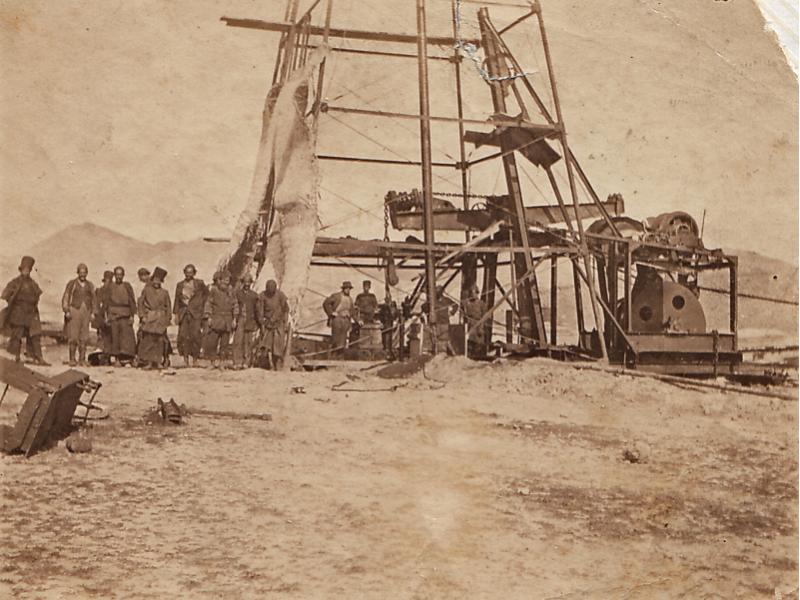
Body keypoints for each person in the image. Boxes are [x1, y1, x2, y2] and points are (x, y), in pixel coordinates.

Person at [1, 256, 49, 365]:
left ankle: (36, 357)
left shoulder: (32, 283)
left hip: (31, 313)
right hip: (18, 313)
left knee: (35, 334)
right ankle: (14, 356)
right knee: (17, 335)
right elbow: (5, 295)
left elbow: (38, 294)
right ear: (21, 269)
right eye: (24, 269)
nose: (26, 272)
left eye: (28, 270)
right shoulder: (15, 282)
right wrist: (13, 303)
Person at [173, 264, 207, 367]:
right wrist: (176, 314)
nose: (188, 274)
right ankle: (185, 359)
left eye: (190, 272)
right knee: (183, 336)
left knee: (196, 336)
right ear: (184, 273)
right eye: (187, 272)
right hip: (184, 313)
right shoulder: (180, 285)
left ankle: (195, 359)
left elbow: (207, 295)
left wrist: (201, 306)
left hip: (195, 314)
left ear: (194, 273)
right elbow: (177, 300)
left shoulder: (199, 283)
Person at [61, 263, 96, 367]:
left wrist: (93, 312)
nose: (82, 275)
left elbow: (94, 299)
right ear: (77, 273)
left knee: (84, 336)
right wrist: (66, 310)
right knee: (73, 335)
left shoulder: (90, 285)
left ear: (87, 273)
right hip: (74, 310)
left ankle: (82, 359)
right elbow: (66, 296)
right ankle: (72, 359)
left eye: (84, 273)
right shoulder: (72, 284)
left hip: (86, 311)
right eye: (81, 273)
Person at [137, 267, 172, 370]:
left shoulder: (165, 292)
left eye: (159, 280)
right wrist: (143, 316)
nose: (156, 282)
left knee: (160, 341)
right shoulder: (147, 290)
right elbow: (140, 303)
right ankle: (149, 363)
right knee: (149, 341)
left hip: (161, 318)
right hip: (150, 318)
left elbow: (168, 307)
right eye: (155, 280)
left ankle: (158, 362)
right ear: (152, 280)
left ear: (161, 282)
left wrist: (167, 319)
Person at [203, 271, 238, 369]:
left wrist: (234, 319)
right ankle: (212, 362)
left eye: (228, 280)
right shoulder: (214, 291)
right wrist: (209, 317)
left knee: (224, 344)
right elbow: (208, 304)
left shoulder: (231, 291)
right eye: (224, 280)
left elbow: (235, 305)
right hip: (216, 319)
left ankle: (222, 363)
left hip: (227, 320)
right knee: (212, 342)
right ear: (219, 280)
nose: (226, 282)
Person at [105, 266, 137, 365]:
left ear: (123, 275)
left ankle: (129, 359)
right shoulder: (110, 287)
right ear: (114, 275)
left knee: (127, 338)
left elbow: (132, 301)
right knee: (115, 337)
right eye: (117, 275)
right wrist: (107, 316)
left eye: (120, 275)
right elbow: (107, 302)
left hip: (125, 315)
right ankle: (117, 359)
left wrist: (132, 315)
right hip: (114, 315)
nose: (119, 277)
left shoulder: (127, 286)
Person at [256, 279, 289, 370]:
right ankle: (266, 364)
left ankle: (277, 363)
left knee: (278, 344)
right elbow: (259, 311)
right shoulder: (262, 296)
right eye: (269, 289)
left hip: (278, 323)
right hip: (267, 323)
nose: (271, 291)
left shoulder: (281, 296)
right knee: (266, 345)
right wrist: (262, 323)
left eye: (273, 289)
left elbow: (286, 310)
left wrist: (285, 322)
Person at [232, 274, 260, 369]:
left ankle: (246, 362)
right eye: (245, 282)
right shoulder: (237, 293)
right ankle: (237, 362)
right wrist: (234, 319)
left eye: (248, 282)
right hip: (240, 319)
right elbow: (234, 307)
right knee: (238, 341)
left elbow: (257, 310)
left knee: (248, 342)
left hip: (250, 320)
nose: (247, 284)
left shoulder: (254, 295)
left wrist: (257, 323)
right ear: (242, 283)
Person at [422, 285, 458, 354]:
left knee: (444, 338)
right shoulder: (433, 300)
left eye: (438, 292)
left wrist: (451, 313)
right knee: (434, 338)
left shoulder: (446, 300)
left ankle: (445, 353)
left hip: (445, 322)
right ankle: (435, 352)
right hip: (435, 322)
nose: (437, 294)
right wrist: (428, 311)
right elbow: (423, 306)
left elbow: (455, 305)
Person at [323, 281, 354, 356]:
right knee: (335, 338)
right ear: (343, 289)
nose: (348, 290)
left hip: (346, 320)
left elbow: (352, 311)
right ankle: (333, 355)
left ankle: (340, 356)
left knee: (343, 339)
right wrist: (331, 312)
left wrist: (357, 320)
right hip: (337, 319)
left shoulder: (350, 299)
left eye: (349, 289)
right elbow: (326, 303)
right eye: (346, 288)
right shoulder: (336, 296)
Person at [462, 286, 487, 358]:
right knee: (469, 342)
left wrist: (481, 327)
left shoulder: (481, 304)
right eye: (471, 293)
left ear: (477, 293)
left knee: (478, 342)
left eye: (473, 293)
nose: (472, 295)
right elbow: (463, 311)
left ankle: (479, 356)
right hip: (470, 323)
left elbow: (485, 316)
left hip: (478, 323)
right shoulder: (467, 303)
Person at [377, 292, 399, 360]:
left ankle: (391, 353)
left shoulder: (393, 306)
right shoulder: (384, 307)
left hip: (391, 325)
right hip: (385, 325)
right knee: (385, 339)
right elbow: (380, 316)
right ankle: (387, 354)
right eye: (386, 298)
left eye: (389, 298)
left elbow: (397, 314)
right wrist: (380, 323)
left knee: (391, 339)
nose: (388, 300)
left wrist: (396, 321)